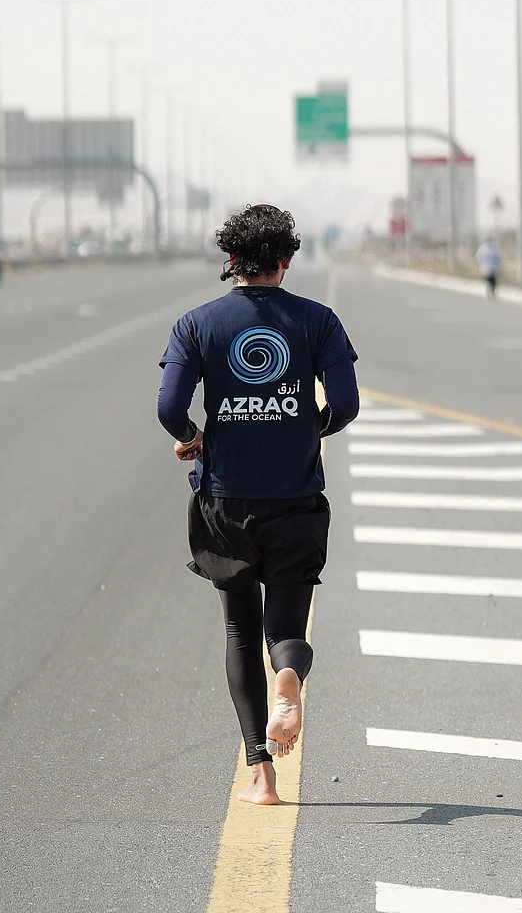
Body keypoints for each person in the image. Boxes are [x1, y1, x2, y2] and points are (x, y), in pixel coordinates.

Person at [157, 204, 359, 806]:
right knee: (286, 622)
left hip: (225, 502)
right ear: (286, 261)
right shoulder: (318, 321)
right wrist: (310, 426)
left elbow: (169, 406)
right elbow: (345, 404)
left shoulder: (196, 324)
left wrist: (193, 437)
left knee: (240, 625)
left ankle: (259, 773)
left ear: (230, 261)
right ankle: (290, 679)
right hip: (296, 498)